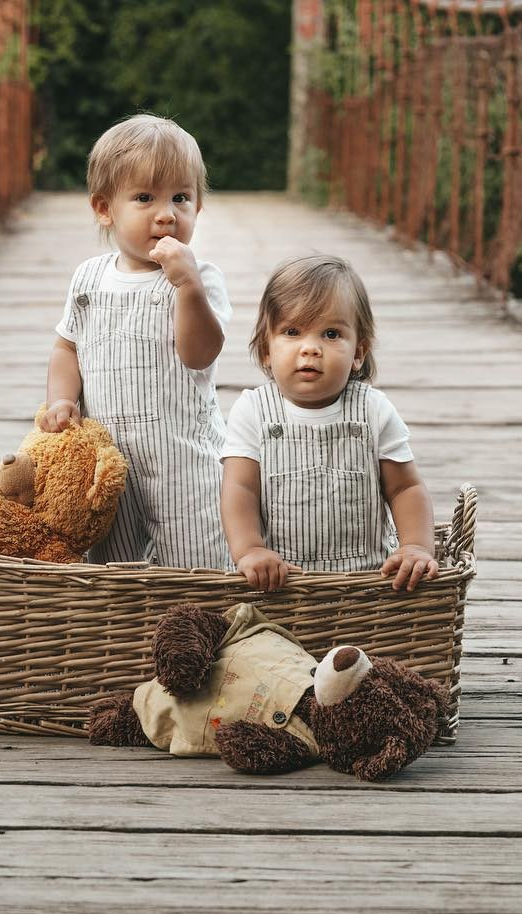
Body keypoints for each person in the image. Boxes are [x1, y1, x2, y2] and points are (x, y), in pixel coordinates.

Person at [38, 115, 231, 569]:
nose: (167, 213)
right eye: (145, 198)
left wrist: (187, 288)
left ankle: (196, 631)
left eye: (181, 198)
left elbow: (200, 353)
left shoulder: (199, 279)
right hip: (109, 463)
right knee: (116, 566)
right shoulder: (89, 278)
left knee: (195, 565)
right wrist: (62, 400)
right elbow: (67, 347)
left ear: (198, 208)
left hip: (183, 464)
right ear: (105, 209)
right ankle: (130, 635)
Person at [221, 254, 439, 592]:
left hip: (366, 586)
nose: (310, 348)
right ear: (266, 349)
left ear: (358, 353)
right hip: (279, 586)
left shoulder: (373, 409)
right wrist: (250, 549)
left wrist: (415, 546)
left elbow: (405, 488)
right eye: (292, 332)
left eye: (331, 334)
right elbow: (241, 490)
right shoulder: (252, 410)